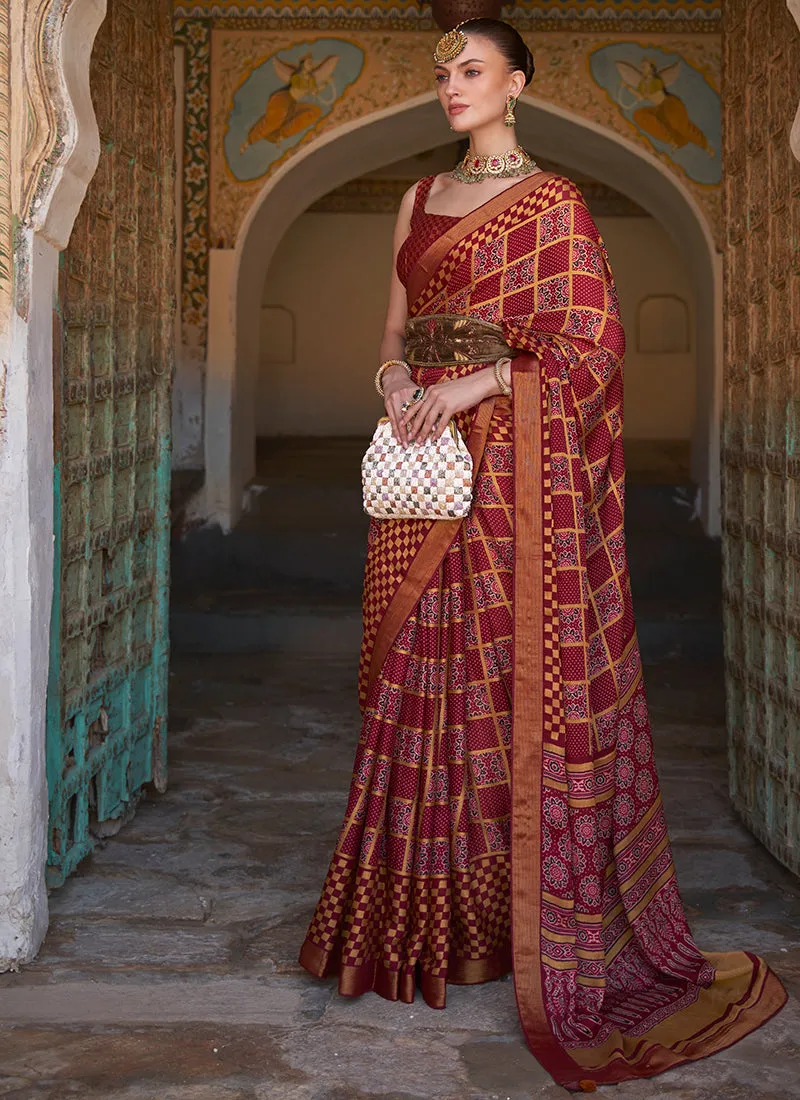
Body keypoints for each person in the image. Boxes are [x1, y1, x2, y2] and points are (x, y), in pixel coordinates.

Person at [298, 17, 786, 1090]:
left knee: (501, 680)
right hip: (418, 471)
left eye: (469, 71)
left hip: (514, 477)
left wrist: (479, 385)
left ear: (516, 82)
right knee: (410, 678)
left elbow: (591, 346)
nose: (448, 87)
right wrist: (393, 386)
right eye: (439, 73)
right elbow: (391, 337)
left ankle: (519, 923)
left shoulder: (555, 204)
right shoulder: (416, 200)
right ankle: (418, 922)